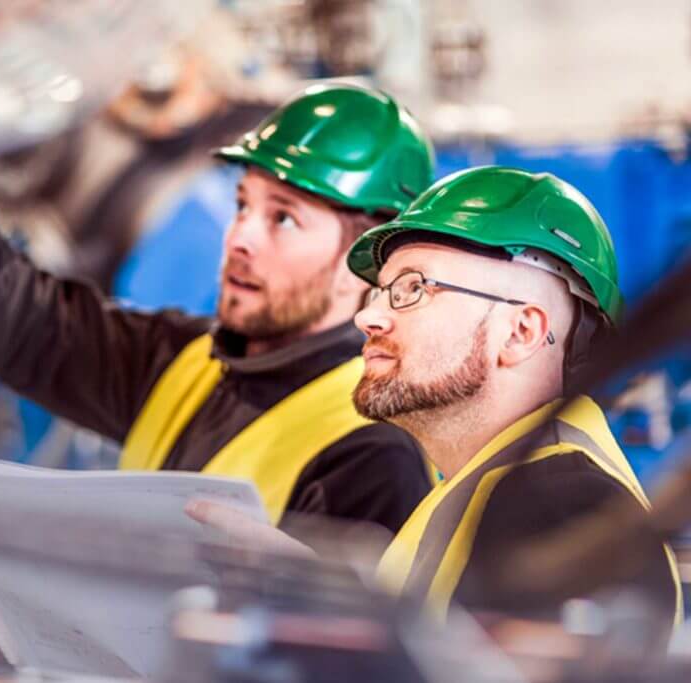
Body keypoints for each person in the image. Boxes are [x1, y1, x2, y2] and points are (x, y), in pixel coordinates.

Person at [0, 82, 436, 530]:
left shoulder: (374, 453)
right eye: (243, 204)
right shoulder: (185, 361)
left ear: (366, 258)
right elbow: (35, 330)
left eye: (282, 218)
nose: (240, 236)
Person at [189, 165, 682, 635]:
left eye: (413, 289)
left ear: (521, 331)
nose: (369, 318)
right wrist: (316, 590)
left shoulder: (562, 504)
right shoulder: (486, 484)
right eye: (378, 292)